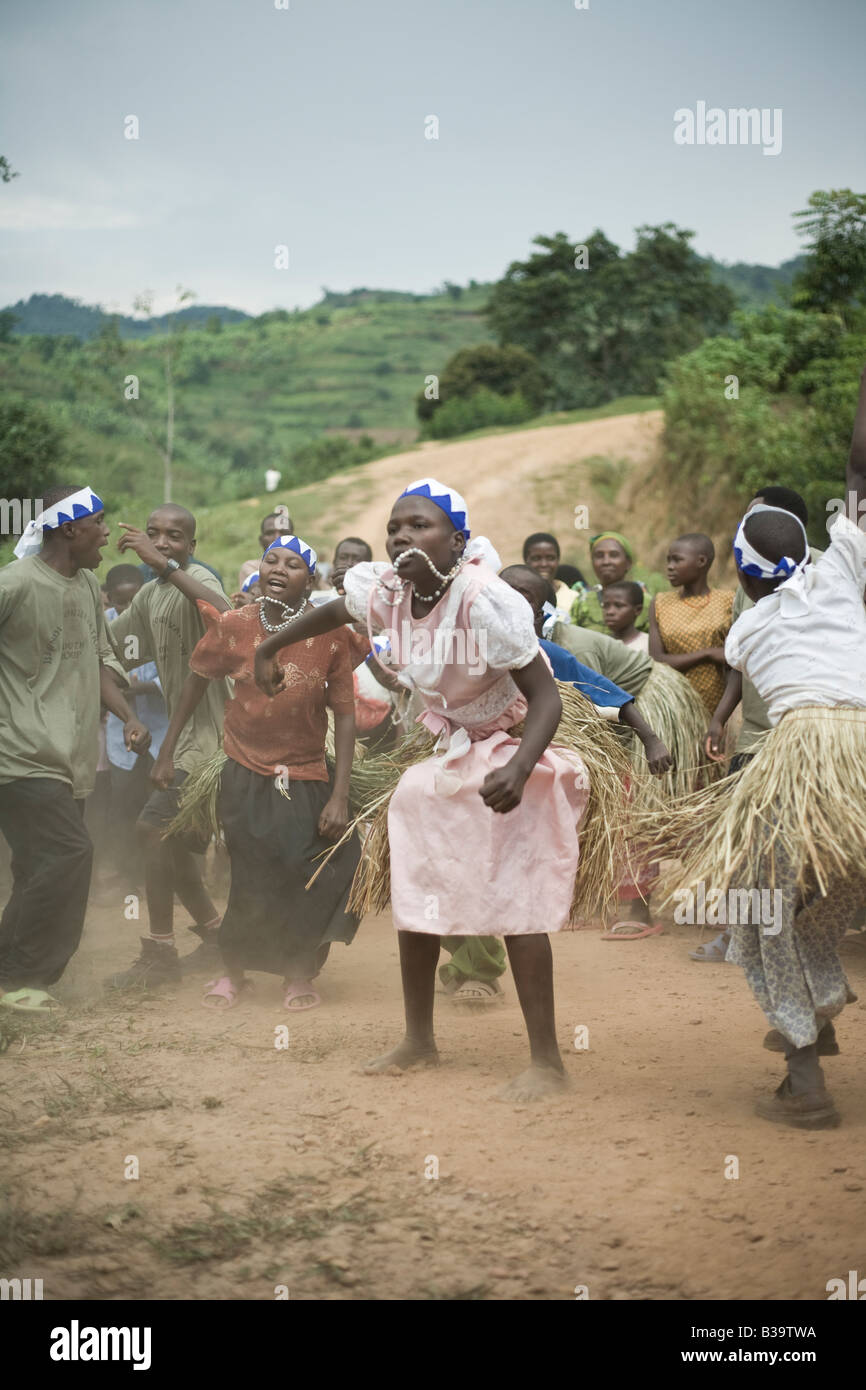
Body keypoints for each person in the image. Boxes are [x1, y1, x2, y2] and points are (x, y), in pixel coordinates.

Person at [254, 478, 625, 1102]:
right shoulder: (389, 589)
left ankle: (547, 1062)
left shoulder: (484, 598)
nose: (402, 534)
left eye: (420, 525)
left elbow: (545, 698)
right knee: (416, 884)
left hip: (513, 745)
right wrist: (272, 641)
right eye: (396, 525)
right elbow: (336, 609)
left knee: (516, 896)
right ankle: (419, 1039)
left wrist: (519, 765)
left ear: (457, 541)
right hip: (448, 748)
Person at [649, 363, 866, 1128]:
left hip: (807, 760)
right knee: (826, 894)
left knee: (758, 905)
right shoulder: (841, 571)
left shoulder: (746, 628)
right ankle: (819, 1003)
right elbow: (858, 473)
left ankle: (804, 1071)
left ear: (741, 570)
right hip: (862, 764)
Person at [158, 532, 362, 1011]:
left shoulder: (331, 634)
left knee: (303, 872)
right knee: (249, 873)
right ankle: (233, 972)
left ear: (310, 580)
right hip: (243, 768)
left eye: (293, 564)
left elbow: (346, 714)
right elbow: (194, 685)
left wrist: (340, 795)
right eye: (272, 559)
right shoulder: (235, 624)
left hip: (306, 773)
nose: (278, 568)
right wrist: (167, 752)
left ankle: (298, 973)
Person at [0, 487, 149, 1013]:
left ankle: (10, 973)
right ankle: (25, 978)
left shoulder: (87, 585)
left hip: (71, 757)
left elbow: (100, 657)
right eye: (100, 523)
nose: (108, 534)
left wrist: (130, 717)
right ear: (69, 529)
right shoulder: (13, 584)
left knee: (37, 864)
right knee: (70, 853)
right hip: (18, 753)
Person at [105, 505, 232, 990]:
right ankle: (218, 936)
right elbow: (111, 646)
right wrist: (126, 712)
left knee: (151, 831)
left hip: (212, 742)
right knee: (171, 846)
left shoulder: (195, 580)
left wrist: (168, 568)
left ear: (191, 546)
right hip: (180, 744)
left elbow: (225, 616)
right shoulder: (150, 596)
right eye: (154, 534)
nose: (161, 542)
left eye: (174, 536)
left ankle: (161, 951)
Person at [697, 487, 814, 964]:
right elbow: (738, 667)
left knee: (804, 840)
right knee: (745, 835)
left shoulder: (829, 572)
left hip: (810, 736)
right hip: (756, 736)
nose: (751, 526)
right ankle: (737, 934)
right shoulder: (749, 576)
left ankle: (795, 938)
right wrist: (721, 717)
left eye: (762, 518)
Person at [103, 565, 168, 885]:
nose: (126, 609)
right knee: (125, 804)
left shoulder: (161, 624)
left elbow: (173, 674)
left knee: (162, 803)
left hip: (162, 730)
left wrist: (133, 688)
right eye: (120, 602)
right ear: (108, 598)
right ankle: (130, 876)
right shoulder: (104, 628)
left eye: (134, 602)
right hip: (121, 737)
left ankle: (165, 876)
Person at [649, 534, 734, 717]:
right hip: (678, 702)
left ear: (701, 561)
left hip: (723, 703)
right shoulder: (660, 603)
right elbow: (657, 659)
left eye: (677, 560)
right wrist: (708, 653)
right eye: (668, 560)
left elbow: (733, 657)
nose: (670, 566)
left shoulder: (727, 600)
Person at [570, 532, 656, 633]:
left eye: (614, 555)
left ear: (628, 563)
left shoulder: (645, 602)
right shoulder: (582, 602)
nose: (606, 561)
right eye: (599, 556)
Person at [522, 533, 578, 618]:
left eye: (550, 558)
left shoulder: (575, 599)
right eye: (536, 558)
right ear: (526, 560)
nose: (544, 564)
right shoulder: (518, 598)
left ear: (558, 560)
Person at [238, 509, 293, 591]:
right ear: (261, 540)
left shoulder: (306, 568)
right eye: (270, 533)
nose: (277, 538)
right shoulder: (251, 567)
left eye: (284, 533)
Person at [601, 580, 649, 652]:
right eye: (606, 606)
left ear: (638, 610)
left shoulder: (648, 645)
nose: (609, 612)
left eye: (619, 606)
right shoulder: (600, 644)